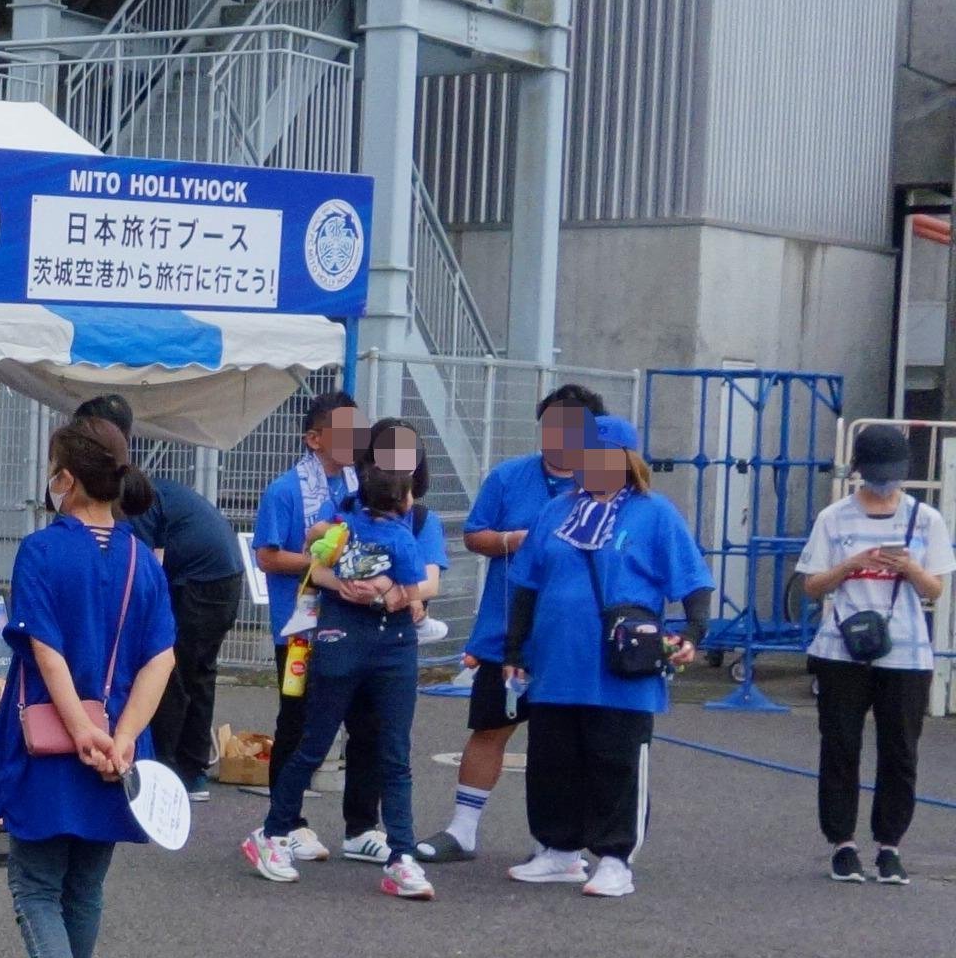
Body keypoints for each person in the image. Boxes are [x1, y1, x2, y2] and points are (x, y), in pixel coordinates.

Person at [0, 418, 175, 958]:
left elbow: (46, 652)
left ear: (65, 478)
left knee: (34, 883)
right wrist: (120, 737)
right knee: (85, 886)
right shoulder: (142, 560)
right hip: (118, 748)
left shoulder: (41, 550)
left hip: (50, 741)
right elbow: (161, 658)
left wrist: (79, 730)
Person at [498, 415, 710, 899]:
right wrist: (514, 648)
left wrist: (693, 631)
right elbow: (526, 585)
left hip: (621, 663)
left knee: (616, 759)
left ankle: (616, 858)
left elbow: (692, 580)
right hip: (556, 660)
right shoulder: (555, 511)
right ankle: (559, 850)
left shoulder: (654, 514)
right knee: (553, 758)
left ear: (626, 460)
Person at [243, 421, 443, 898]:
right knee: (313, 742)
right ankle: (274, 832)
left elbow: (427, 581)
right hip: (341, 637)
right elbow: (316, 560)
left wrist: (387, 589)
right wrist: (346, 583)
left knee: (394, 752)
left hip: (395, 644)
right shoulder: (344, 513)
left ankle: (401, 855)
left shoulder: (420, 520)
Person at [421, 385, 607, 864]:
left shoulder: (603, 482)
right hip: (504, 633)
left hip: (570, 637)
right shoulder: (508, 476)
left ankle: (555, 841)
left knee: (562, 741)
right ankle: (463, 830)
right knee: (490, 727)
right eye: (550, 425)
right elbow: (474, 535)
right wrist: (513, 540)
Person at [72, 394, 250, 802]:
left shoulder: (127, 496)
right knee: (196, 672)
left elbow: (144, 571)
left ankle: (166, 769)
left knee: (167, 671)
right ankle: (191, 770)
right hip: (221, 575)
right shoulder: (140, 485)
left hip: (201, 580)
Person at [796, 423, 947, 884]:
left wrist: (910, 568)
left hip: (906, 653)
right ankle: (842, 844)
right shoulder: (833, 518)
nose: (885, 482)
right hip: (841, 649)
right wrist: (849, 565)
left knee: (900, 751)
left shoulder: (926, 519)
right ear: (859, 470)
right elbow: (812, 586)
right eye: (877, 473)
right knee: (840, 745)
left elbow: (935, 590)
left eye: (891, 473)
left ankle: (889, 846)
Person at [249, 394, 366, 859]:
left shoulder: (362, 487)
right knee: (296, 720)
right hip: (298, 630)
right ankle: (287, 822)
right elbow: (267, 556)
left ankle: (362, 827)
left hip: (352, 625)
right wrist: (325, 565)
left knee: (363, 721)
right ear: (314, 439)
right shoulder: (285, 490)